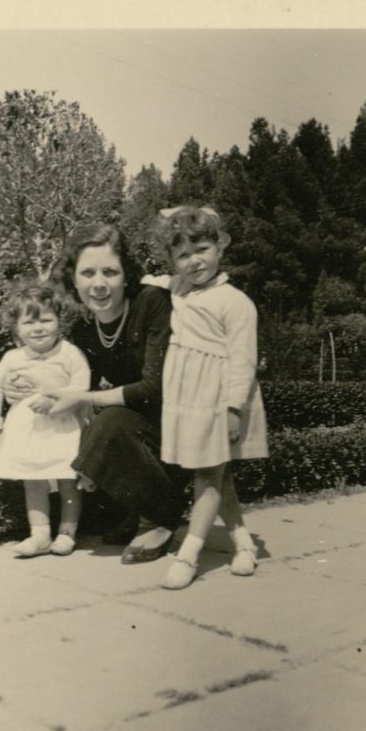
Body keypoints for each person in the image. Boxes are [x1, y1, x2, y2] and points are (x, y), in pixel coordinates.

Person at [8, 222, 187, 562]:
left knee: (110, 422)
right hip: (144, 421)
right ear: (73, 278)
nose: (99, 284)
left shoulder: (152, 303)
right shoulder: (85, 325)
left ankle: (158, 519)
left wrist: (81, 399)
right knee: (97, 423)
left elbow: (155, 388)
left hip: (182, 417)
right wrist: (19, 384)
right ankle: (137, 509)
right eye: (88, 273)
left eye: (110, 271)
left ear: (127, 274)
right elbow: (62, 374)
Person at [144, 205, 268, 590]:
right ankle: (243, 544)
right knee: (216, 473)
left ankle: (189, 555)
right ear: (172, 262)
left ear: (220, 247)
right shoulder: (179, 288)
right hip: (188, 398)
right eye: (182, 255)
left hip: (219, 398)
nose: (194, 261)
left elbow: (244, 361)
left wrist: (233, 408)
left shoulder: (235, 302)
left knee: (209, 473)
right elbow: (153, 281)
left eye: (201, 249)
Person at [0, 282, 91, 558]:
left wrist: (57, 401)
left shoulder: (69, 353)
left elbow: (81, 385)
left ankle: (67, 533)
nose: (38, 328)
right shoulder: (13, 358)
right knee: (33, 482)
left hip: (63, 427)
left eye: (46, 319)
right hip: (27, 429)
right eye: (29, 322)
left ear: (59, 322)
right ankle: (40, 535)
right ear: (17, 328)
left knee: (67, 479)